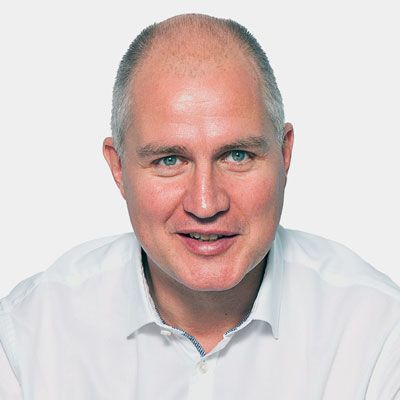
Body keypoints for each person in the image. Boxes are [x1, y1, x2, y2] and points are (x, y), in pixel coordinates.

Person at [1, 13, 399, 400]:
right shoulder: (28, 334)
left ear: (284, 154)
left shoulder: (379, 333)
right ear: (118, 168)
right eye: (169, 160)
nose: (206, 204)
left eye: (237, 155)